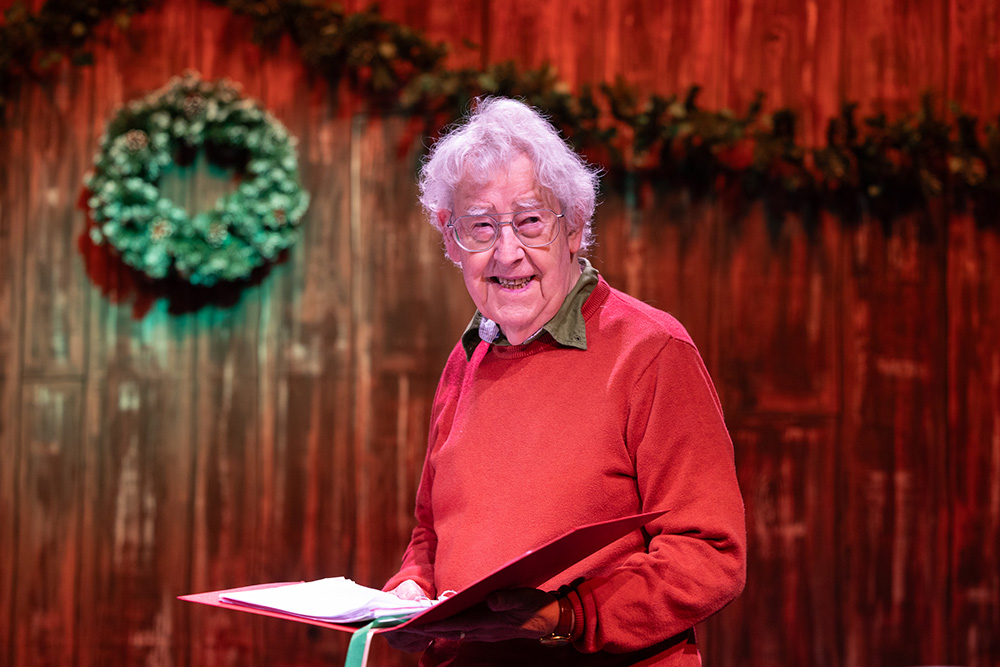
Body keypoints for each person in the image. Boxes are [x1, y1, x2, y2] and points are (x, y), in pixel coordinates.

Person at [382, 97, 746, 666]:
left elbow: (709, 554)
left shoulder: (651, 351)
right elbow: (431, 534)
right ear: (451, 241)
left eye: (530, 221)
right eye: (481, 226)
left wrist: (569, 616)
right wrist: (410, 590)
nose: (507, 253)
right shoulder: (466, 358)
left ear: (574, 227)